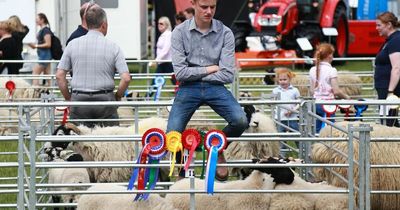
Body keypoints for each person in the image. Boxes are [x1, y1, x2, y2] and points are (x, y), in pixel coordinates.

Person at [167, 0, 248, 181]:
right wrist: (210, 68)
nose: (209, 11)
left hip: (215, 87)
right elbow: (180, 73)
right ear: (193, 4)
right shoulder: (179, 32)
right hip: (188, 88)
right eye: (204, 7)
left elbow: (228, 75)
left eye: (213, 7)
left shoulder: (225, 33)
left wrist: (195, 74)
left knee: (241, 120)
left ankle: (218, 148)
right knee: (172, 132)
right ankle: (181, 172)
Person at [56, 5, 131, 128]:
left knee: (79, 142)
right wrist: (117, 96)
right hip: (106, 100)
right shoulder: (114, 47)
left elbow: (59, 75)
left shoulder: (72, 45)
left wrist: (69, 98)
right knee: (109, 141)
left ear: (88, 23)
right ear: (104, 25)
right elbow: (126, 78)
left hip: (79, 100)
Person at [309, 43, 350, 133]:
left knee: (316, 131)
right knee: (329, 130)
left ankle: (316, 146)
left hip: (315, 104)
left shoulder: (312, 70)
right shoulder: (332, 70)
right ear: (329, 55)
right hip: (328, 106)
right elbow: (336, 91)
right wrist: (347, 97)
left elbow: (312, 91)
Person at [374, 11, 400, 127]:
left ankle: (394, 144)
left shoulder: (396, 41)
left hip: (390, 91)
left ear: (389, 25)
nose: (376, 28)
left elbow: (397, 67)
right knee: (388, 121)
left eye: (379, 25)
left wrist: (390, 92)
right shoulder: (390, 41)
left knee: (389, 122)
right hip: (385, 88)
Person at [272, 67, 300, 155]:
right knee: (281, 139)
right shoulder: (275, 90)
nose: (283, 81)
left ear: (289, 79)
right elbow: (272, 102)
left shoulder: (294, 90)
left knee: (297, 137)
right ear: (277, 80)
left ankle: (301, 154)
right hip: (280, 118)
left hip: (293, 118)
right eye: (280, 80)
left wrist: (293, 110)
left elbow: (299, 102)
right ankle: (282, 158)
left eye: (285, 79)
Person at [147, 16, 175, 98]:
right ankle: (147, 98)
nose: (159, 25)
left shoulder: (169, 35)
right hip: (163, 63)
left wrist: (155, 60)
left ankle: (146, 98)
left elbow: (165, 50)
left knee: (177, 82)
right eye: (158, 23)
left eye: (161, 24)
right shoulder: (163, 35)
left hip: (168, 62)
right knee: (156, 81)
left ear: (167, 25)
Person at [28, 13, 52, 86]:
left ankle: (35, 91)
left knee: (35, 72)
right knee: (48, 74)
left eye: (37, 19)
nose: (36, 21)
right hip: (43, 55)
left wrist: (36, 46)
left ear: (42, 19)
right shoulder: (43, 30)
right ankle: (52, 90)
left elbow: (48, 44)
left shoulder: (45, 30)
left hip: (45, 55)